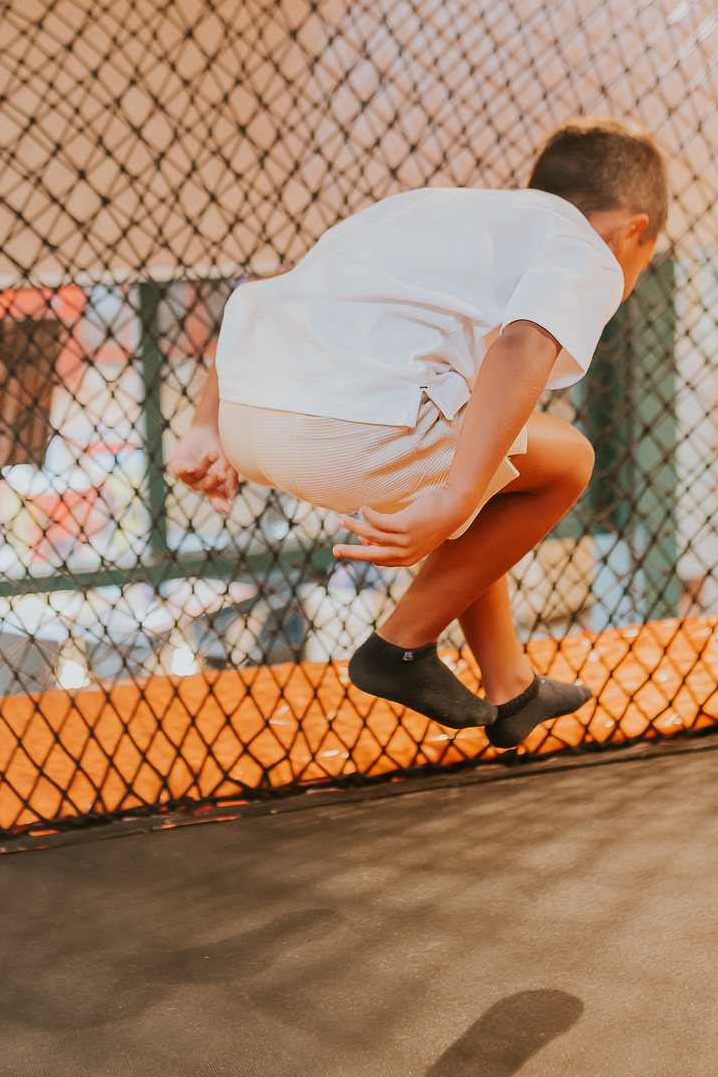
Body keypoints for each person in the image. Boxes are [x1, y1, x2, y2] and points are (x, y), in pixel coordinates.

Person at [172, 117, 667, 749]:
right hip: (356, 437)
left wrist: (203, 426)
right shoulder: (586, 245)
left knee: (492, 457)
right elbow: (524, 343)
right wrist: (456, 494)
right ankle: (400, 646)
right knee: (567, 459)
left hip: (246, 417)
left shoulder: (438, 212)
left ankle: (510, 685)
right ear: (633, 232)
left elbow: (278, 296)